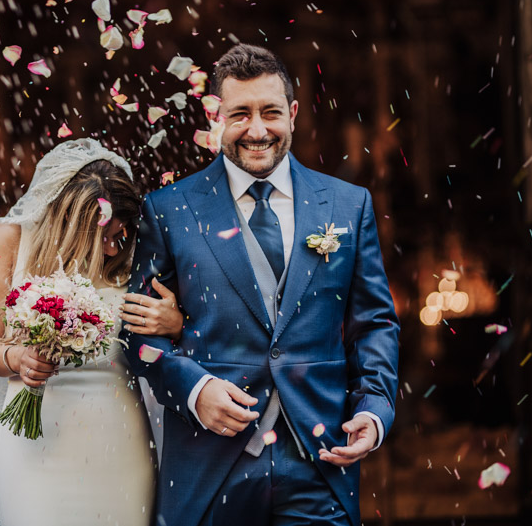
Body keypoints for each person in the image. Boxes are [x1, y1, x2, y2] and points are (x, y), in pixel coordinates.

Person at [121, 44, 400, 526]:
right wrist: (195, 390)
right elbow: (137, 333)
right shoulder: (168, 210)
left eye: (270, 112)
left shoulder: (347, 205)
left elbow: (374, 323)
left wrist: (374, 410)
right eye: (240, 114)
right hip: (210, 463)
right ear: (216, 118)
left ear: (292, 114)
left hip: (320, 461)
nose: (257, 130)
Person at [0, 139, 183, 526]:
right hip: (36, 444)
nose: (110, 249)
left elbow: (172, 338)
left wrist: (176, 325)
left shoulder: (134, 254)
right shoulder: (10, 241)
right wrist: (15, 357)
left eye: (120, 235)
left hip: (119, 439)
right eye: (100, 234)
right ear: (65, 218)